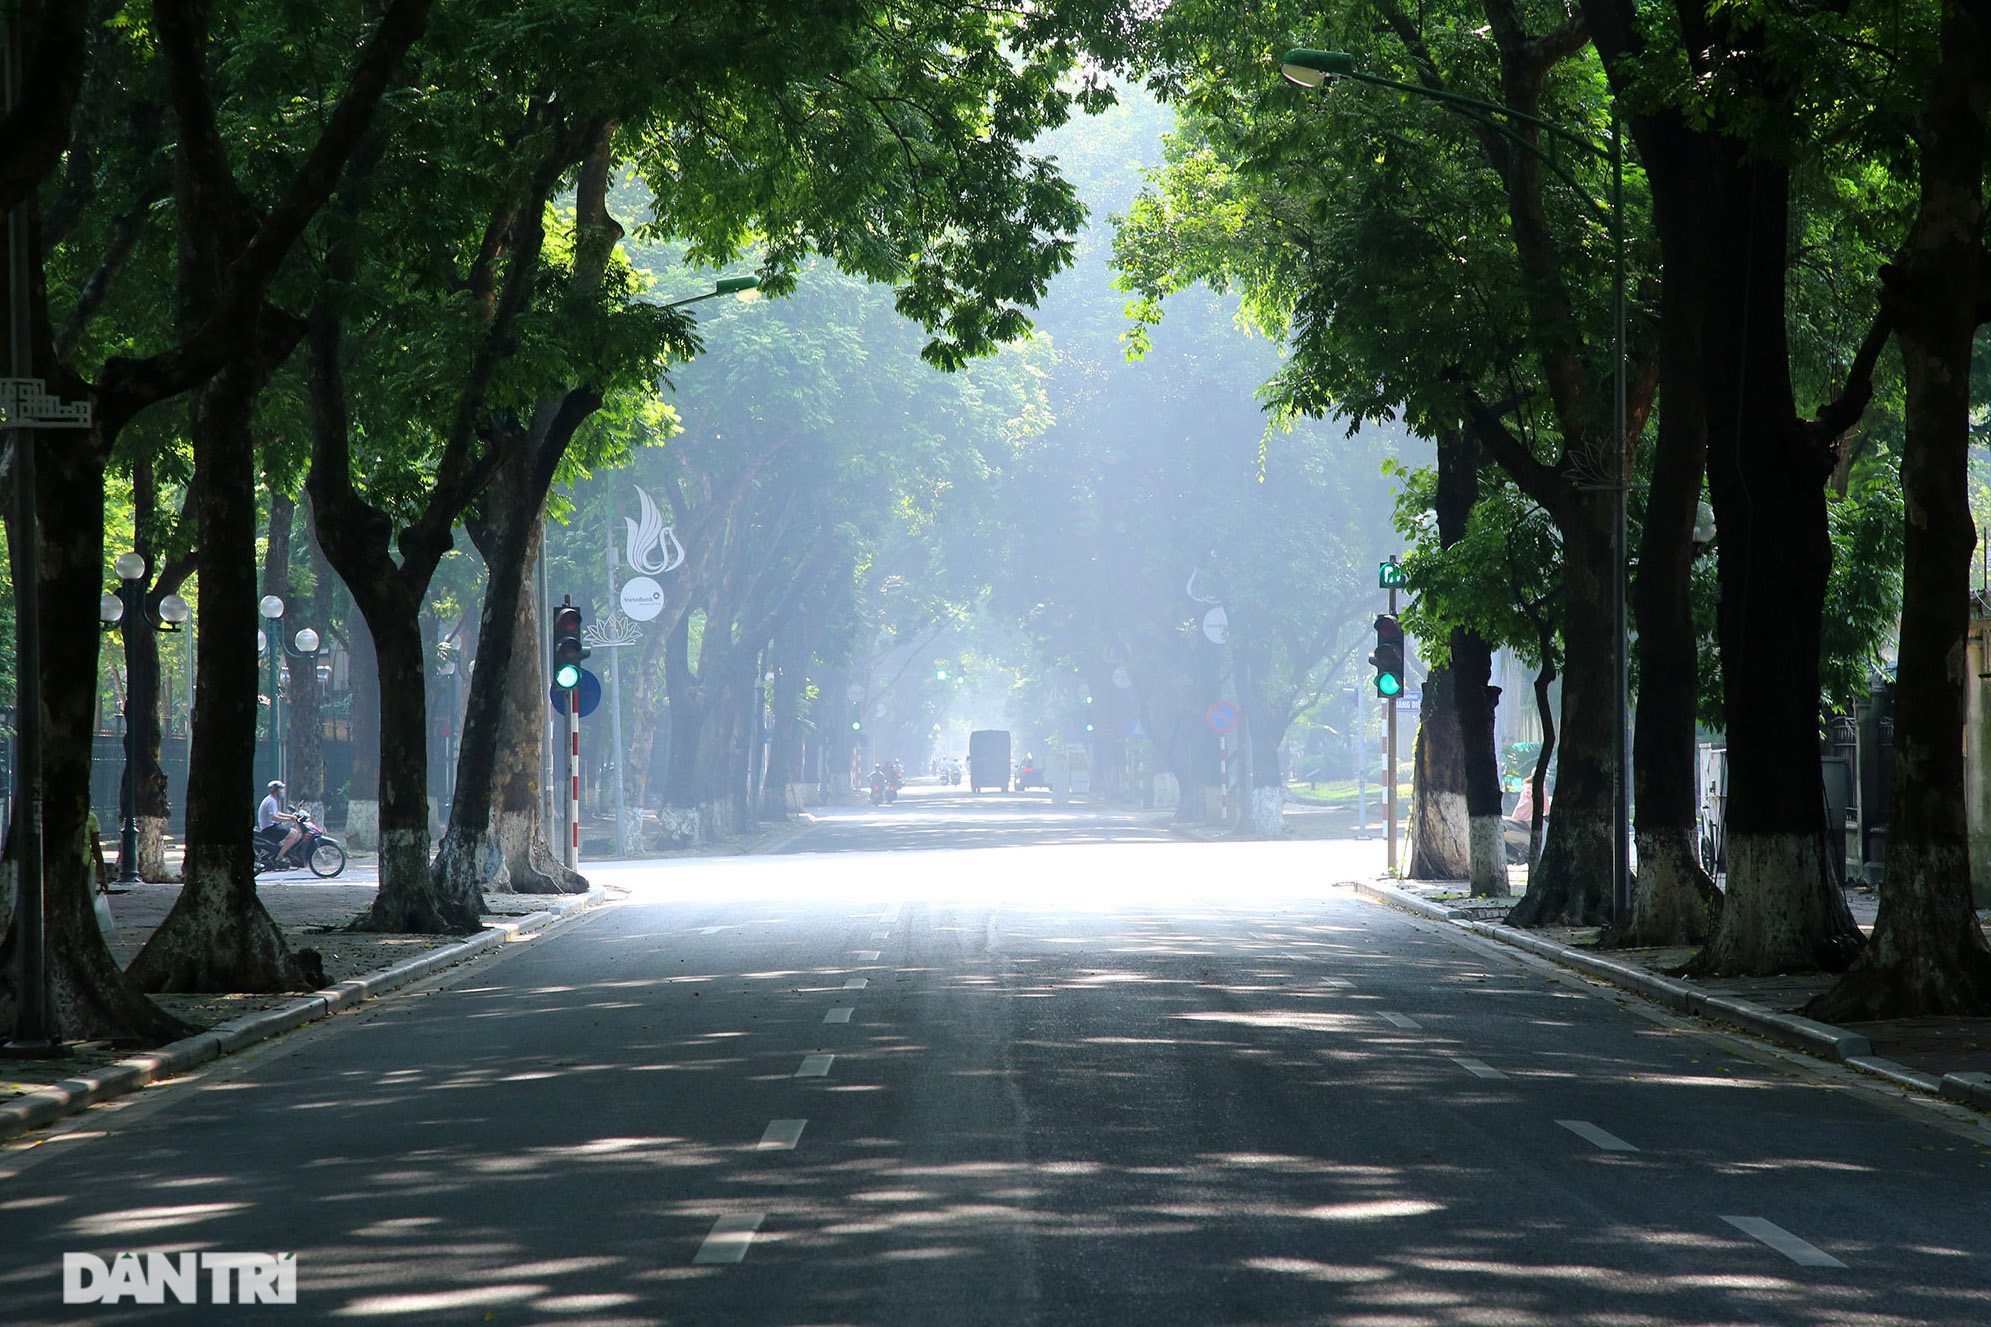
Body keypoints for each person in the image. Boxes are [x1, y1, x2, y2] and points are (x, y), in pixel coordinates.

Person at [258, 779, 303, 867]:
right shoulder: (271, 801)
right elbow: (274, 817)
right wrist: (290, 819)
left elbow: (277, 813)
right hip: (270, 828)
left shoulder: (272, 800)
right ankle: (280, 857)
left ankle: (282, 852)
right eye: (281, 789)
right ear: (276, 791)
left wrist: (290, 816)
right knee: (293, 835)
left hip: (272, 826)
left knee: (294, 832)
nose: (282, 792)